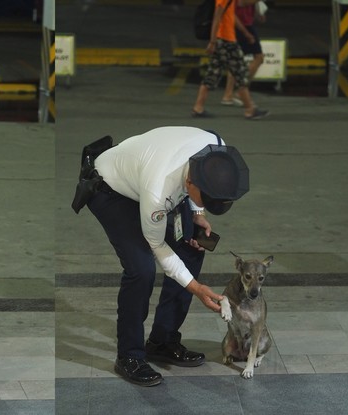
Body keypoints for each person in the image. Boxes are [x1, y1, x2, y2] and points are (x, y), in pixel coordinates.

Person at [75, 126, 249, 386]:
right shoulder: (159, 190)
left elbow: (202, 183)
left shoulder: (217, 148)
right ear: (190, 183)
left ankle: (162, 341)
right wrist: (196, 288)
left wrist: (198, 212)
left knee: (192, 246)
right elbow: (157, 246)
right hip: (109, 188)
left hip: (146, 177)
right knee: (141, 269)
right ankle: (129, 356)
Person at [192, 0, 269, 120]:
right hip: (226, 41)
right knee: (241, 73)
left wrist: (245, 33)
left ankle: (198, 107)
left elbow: (232, 15)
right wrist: (212, 42)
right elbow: (217, 17)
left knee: (212, 74)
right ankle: (250, 109)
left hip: (223, 40)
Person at [221, 0, 266, 106]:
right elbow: (241, 4)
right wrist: (246, 33)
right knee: (258, 57)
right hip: (239, 26)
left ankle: (228, 95)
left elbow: (249, 9)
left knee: (235, 61)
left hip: (244, 24)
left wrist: (259, 13)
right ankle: (241, 90)